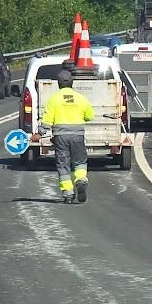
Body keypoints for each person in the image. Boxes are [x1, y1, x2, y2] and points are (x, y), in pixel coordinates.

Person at [40, 69, 94, 203]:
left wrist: (39, 133)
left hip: (60, 137)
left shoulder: (53, 99)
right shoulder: (81, 98)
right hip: (77, 136)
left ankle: (68, 193)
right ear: (72, 83)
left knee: (63, 165)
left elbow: (47, 121)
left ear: (58, 84)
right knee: (80, 162)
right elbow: (90, 116)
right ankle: (81, 180)